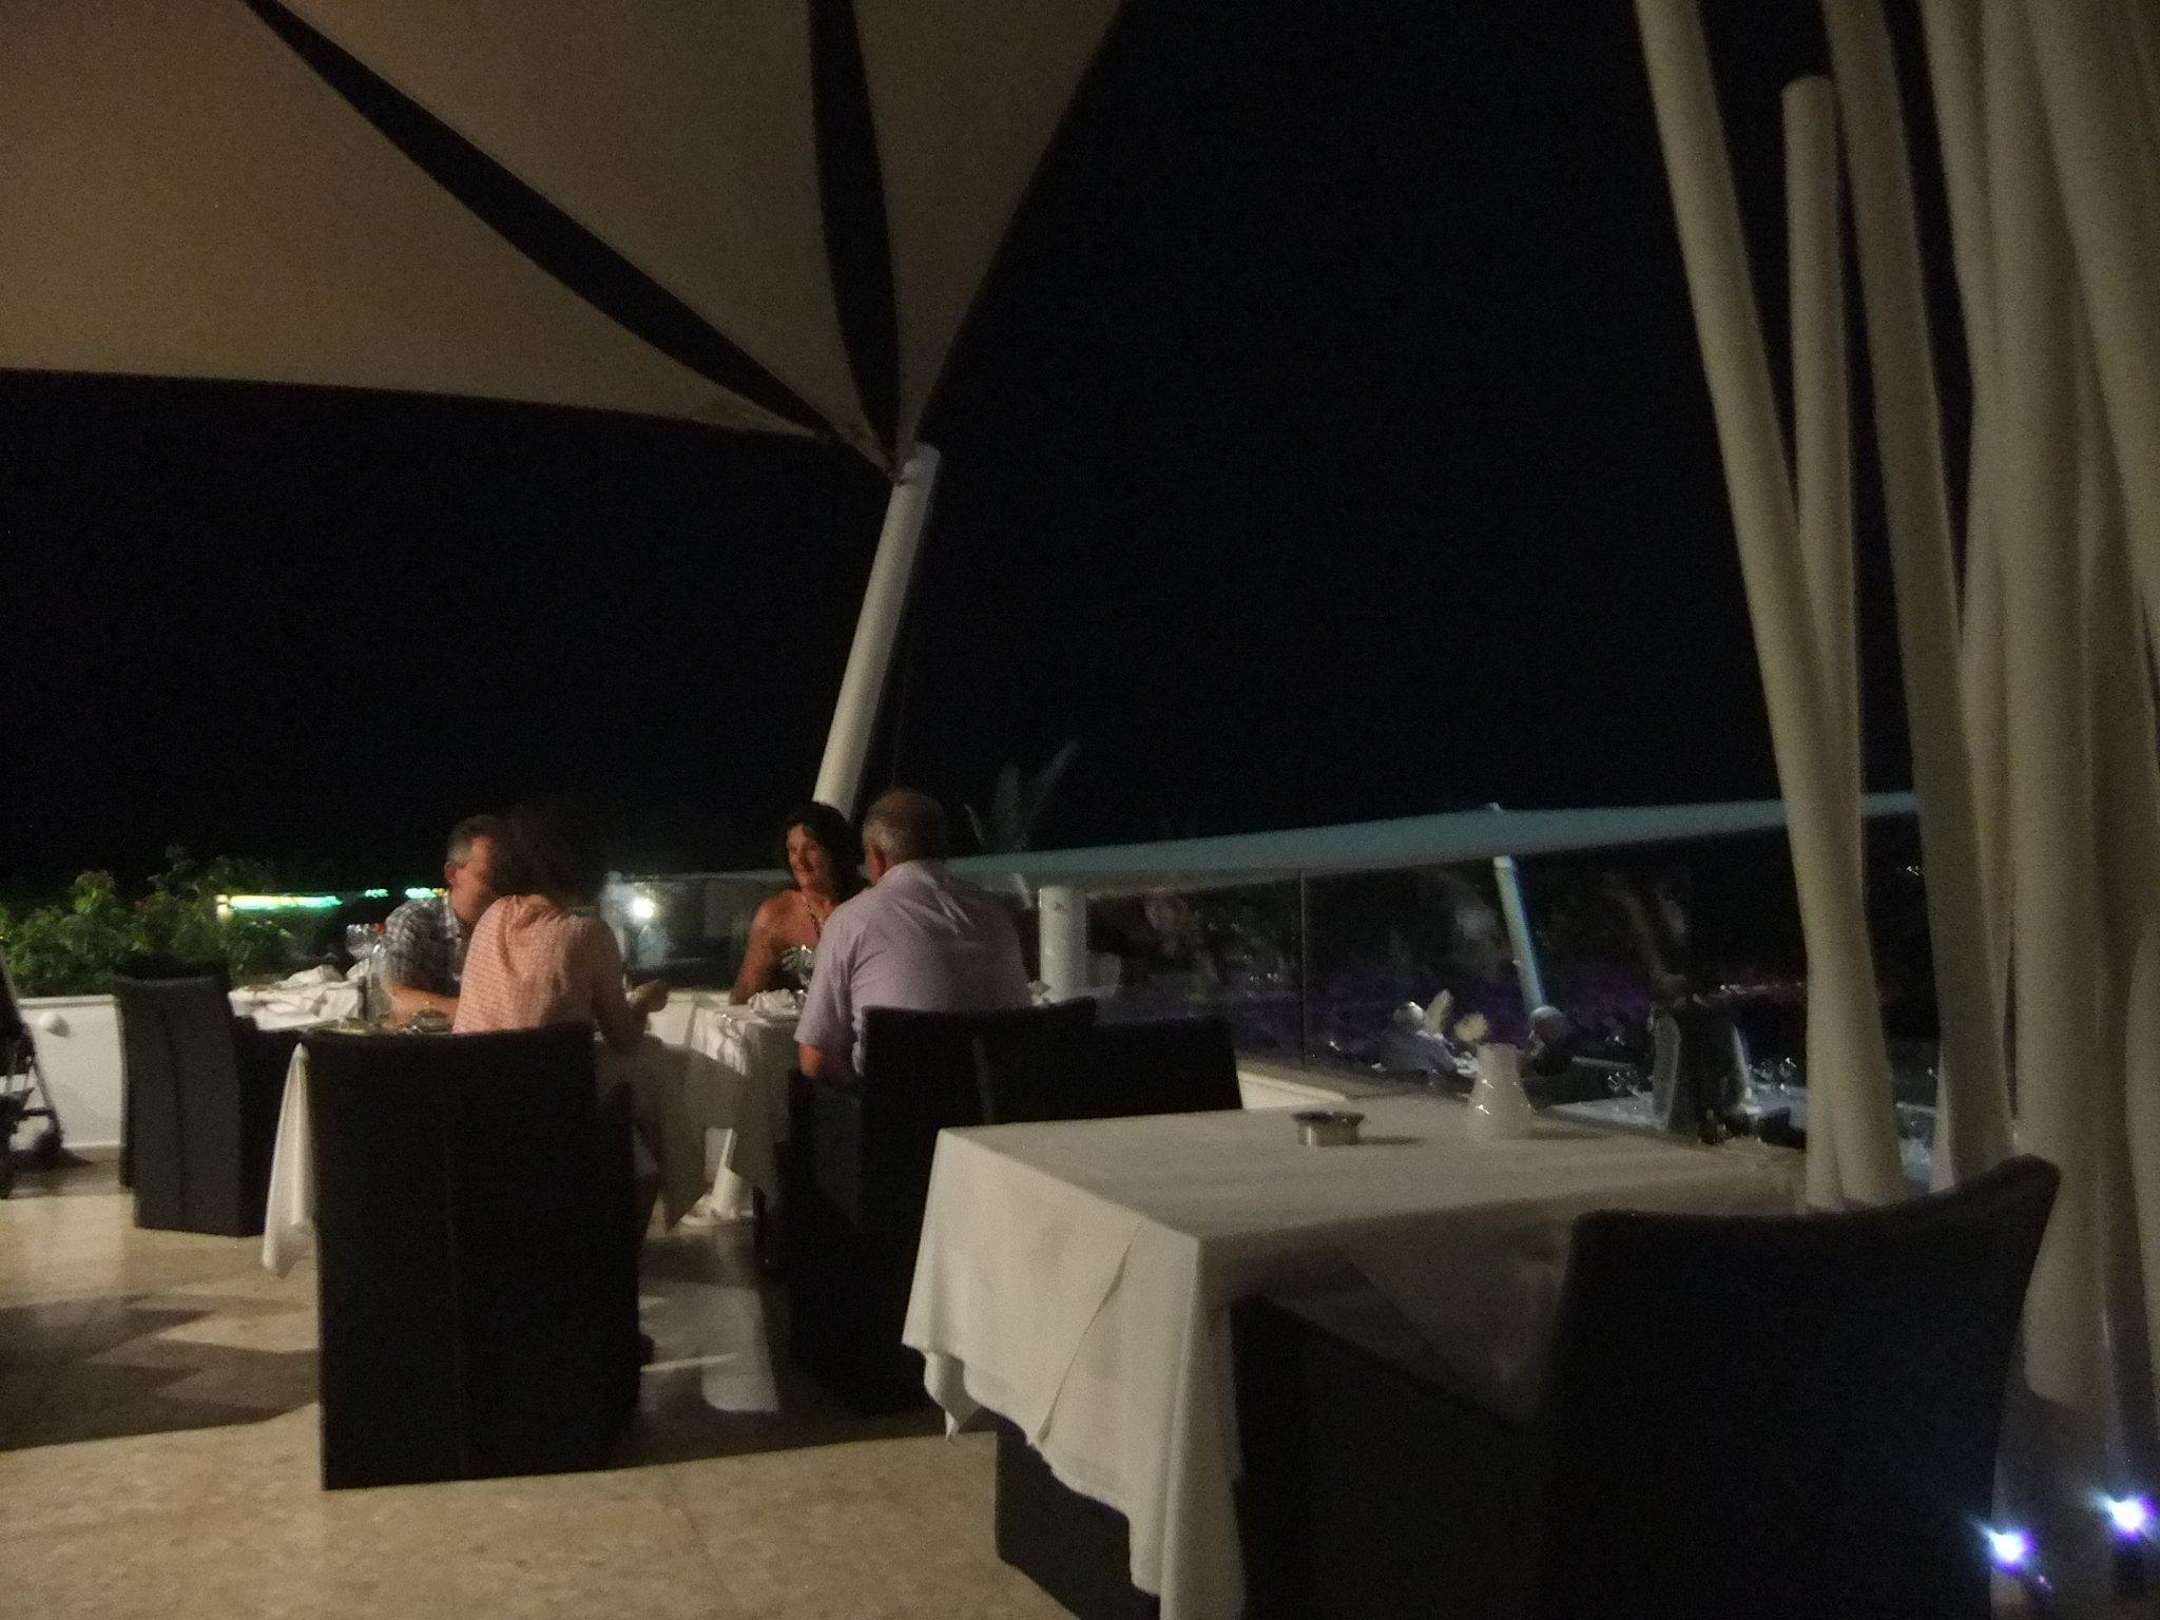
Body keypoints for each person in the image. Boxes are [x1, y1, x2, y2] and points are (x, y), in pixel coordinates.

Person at [795, 788, 1031, 1083]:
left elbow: (815, 1059)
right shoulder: (994, 913)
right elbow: (1023, 1029)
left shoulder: (850, 920)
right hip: (989, 1104)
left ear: (877, 857)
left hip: (894, 1106)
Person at [453, 800, 668, 1052]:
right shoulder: (588, 935)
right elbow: (624, 1041)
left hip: (468, 1075)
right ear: (586, 860)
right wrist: (642, 1001)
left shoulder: (493, 914)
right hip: (545, 1078)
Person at [729, 802, 865, 1003]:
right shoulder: (776, 913)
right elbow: (745, 993)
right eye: (792, 850)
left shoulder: (870, 904)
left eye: (811, 848)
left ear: (835, 851)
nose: (799, 860)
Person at [381, 814, 503, 1022]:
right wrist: (481, 1014)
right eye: (489, 876)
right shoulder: (415, 920)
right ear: (452, 874)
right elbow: (394, 1000)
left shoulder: (511, 925)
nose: (501, 886)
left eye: (507, 876)